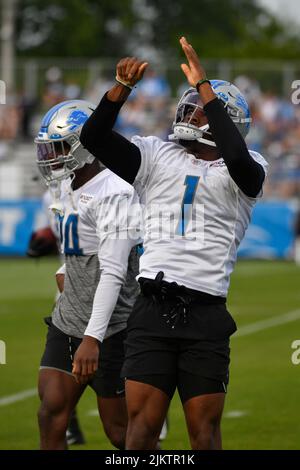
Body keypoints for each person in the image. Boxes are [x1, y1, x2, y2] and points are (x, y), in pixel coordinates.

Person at [79, 37, 268, 450]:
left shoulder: (248, 167)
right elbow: (93, 136)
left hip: (205, 313)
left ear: (225, 119)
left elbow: (238, 161)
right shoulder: (155, 155)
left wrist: (206, 87)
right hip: (151, 309)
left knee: (204, 434)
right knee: (140, 433)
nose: (189, 110)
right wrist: (120, 89)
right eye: (193, 103)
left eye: (199, 106)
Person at [35, 99, 142, 450]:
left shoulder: (116, 191)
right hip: (69, 321)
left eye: (60, 147)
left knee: (120, 432)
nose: (52, 156)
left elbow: (112, 272)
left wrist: (92, 339)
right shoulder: (68, 185)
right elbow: (76, 248)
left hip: (112, 329)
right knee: (51, 413)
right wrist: (65, 270)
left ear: (83, 146)